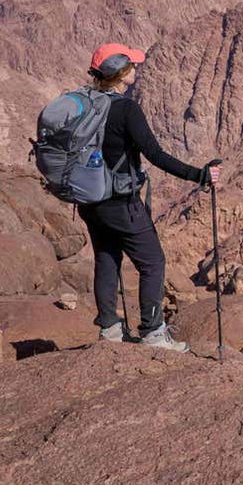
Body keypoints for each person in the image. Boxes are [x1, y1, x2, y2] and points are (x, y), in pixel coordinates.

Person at [79, 43, 219, 351]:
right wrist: (200, 175)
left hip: (89, 201)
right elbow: (155, 154)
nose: (137, 69)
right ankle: (154, 334)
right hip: (120, 201)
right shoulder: (125, 109)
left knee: (106, 259)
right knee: (153, 262)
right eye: (132, 65)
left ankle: (110, 331)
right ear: (120, 72)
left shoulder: (84, 103)